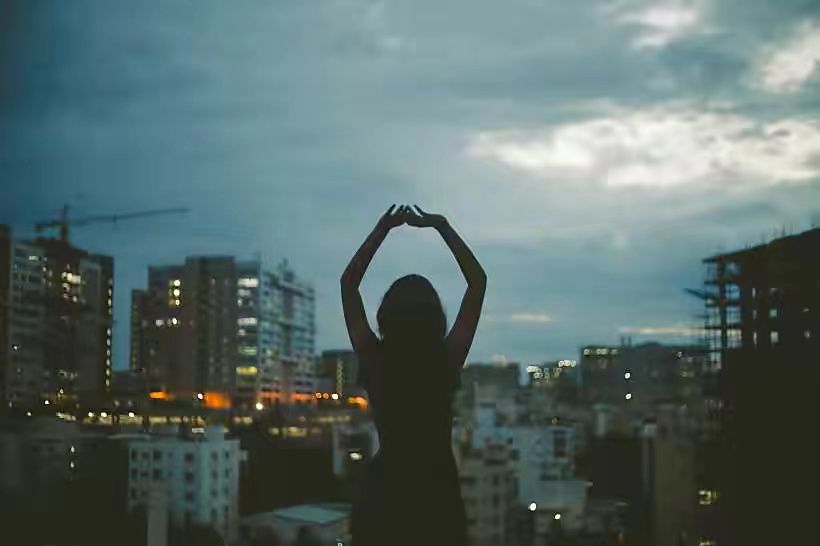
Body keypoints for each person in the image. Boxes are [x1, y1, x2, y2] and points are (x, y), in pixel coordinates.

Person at [341, 205, 487, 546]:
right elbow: (477, 283)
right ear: (435, 317)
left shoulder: (374, 357)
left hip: (385, 490)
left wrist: (382, 229)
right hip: (437, 491)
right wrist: (441, 226)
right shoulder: (446, 359)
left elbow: (348, 285)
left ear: (385, 315)